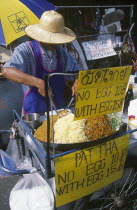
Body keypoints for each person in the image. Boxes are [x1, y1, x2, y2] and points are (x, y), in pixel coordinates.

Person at [2, 10, 80, 114]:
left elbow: (76, 71)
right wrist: (38, 83)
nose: (56, 43)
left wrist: (77, 81)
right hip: (34, 114)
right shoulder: (25, 50)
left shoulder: (61, 52)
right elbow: (6, 71)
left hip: (59, 111)